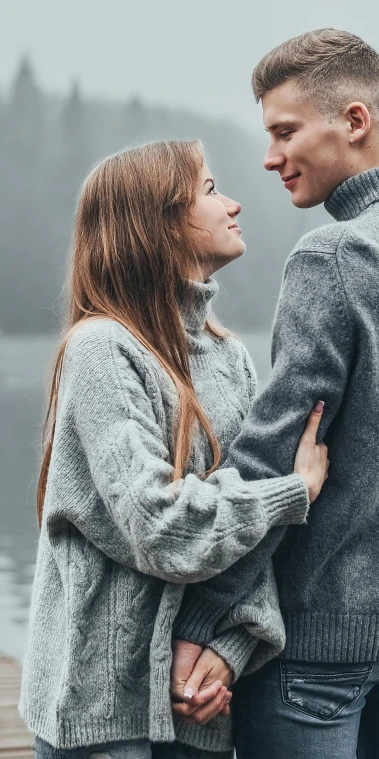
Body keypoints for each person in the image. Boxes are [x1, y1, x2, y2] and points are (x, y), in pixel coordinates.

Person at [170, 29, 379, 758]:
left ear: (354, 121)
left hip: (315, 652)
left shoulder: (336, 254)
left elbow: (271, 454)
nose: (270, 157)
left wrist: (200, 621)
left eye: (286, 131)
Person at [18, 139, 330, 759]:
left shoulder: (229, 355)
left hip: (199, 714)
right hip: (103, 723)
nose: (234, 203)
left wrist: (227, 654)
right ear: (156, 222)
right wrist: (292, 491)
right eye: (211, 191)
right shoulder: (103, 349)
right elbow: (159, 525)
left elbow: (257, 551)